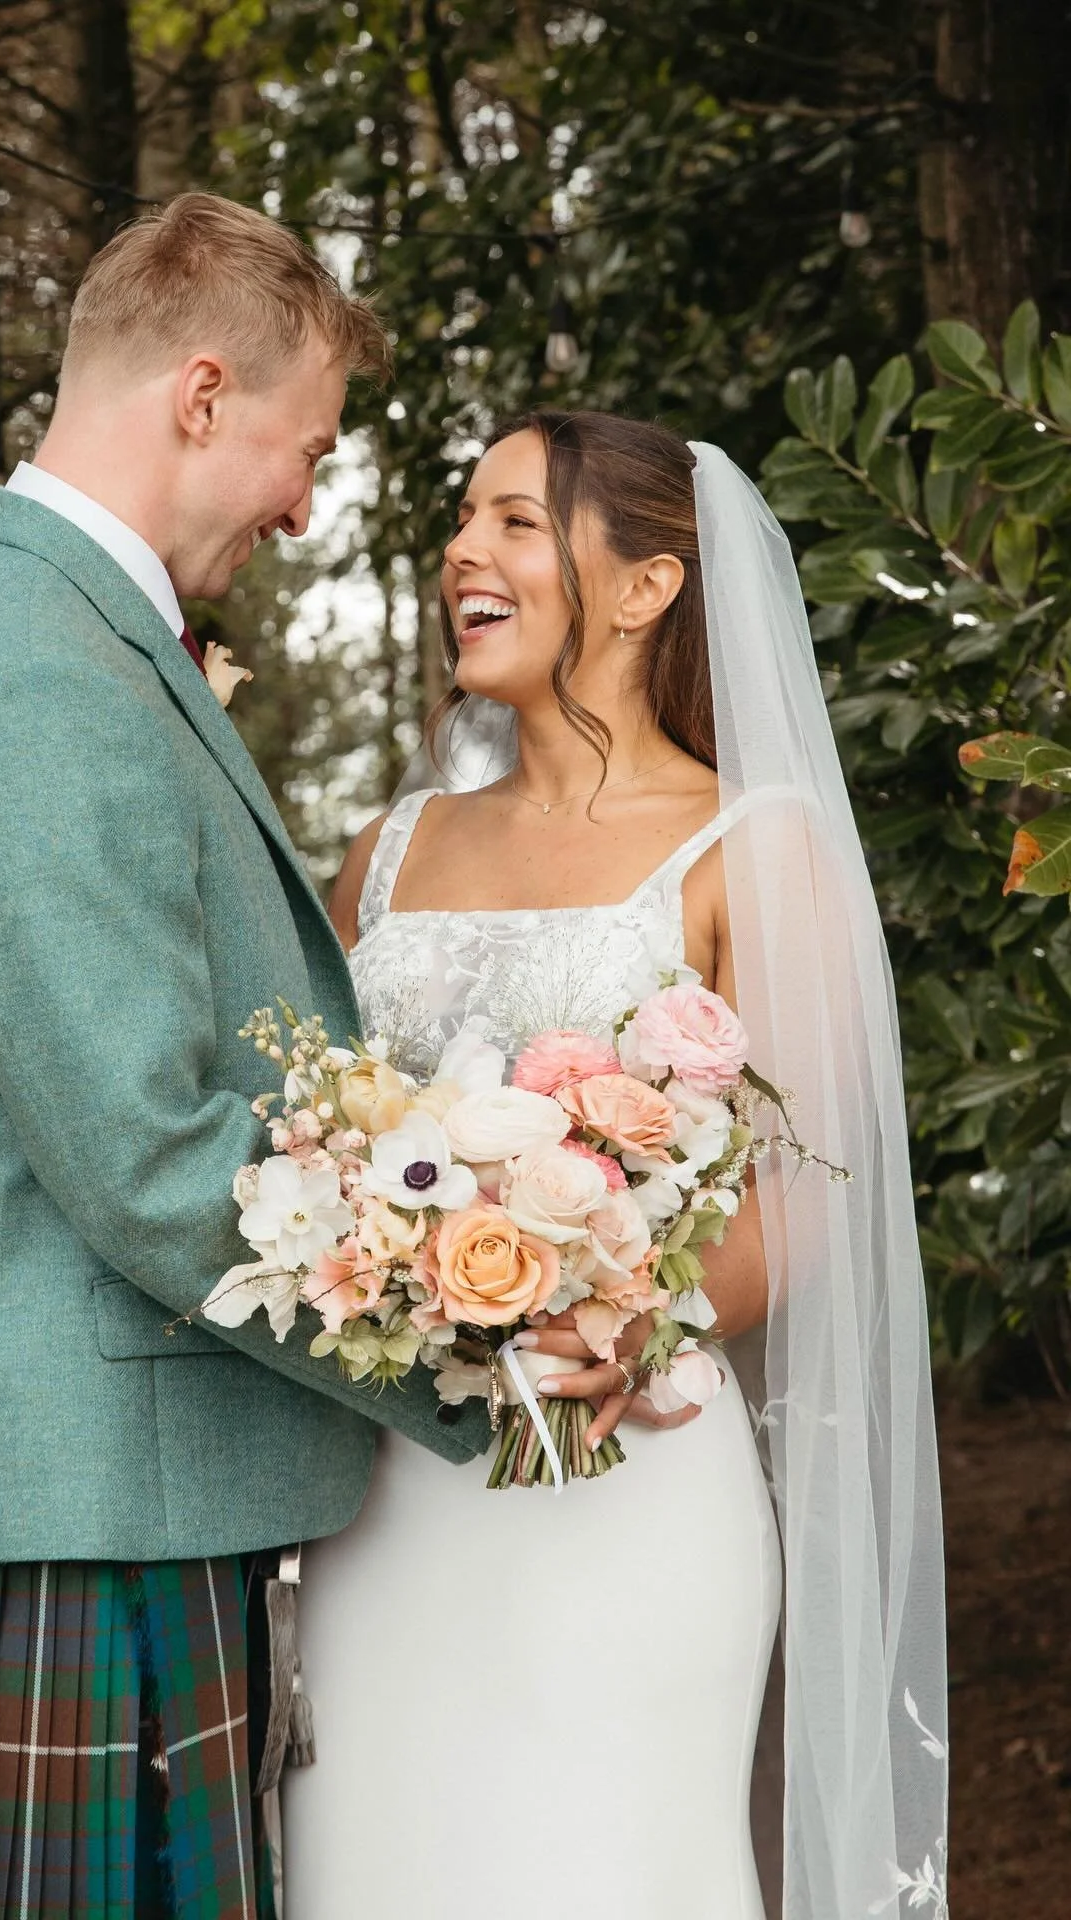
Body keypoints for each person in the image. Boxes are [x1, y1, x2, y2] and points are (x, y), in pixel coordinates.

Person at [0, 193, 489, 1919]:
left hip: (40, 1489)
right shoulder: (33, 678)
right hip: (54, 1514)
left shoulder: (34, 633)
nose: (306, 501)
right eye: (310, 448)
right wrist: (483, 1329)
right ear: (203, 395)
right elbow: (145, 1153)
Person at [283, 411, 949, 1919]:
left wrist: (622, 1309)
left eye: (515, 520)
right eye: (461, 517)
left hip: (628, 1485)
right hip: (384, 1500)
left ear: (645, 588)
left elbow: (816, 1194)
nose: (465, 549)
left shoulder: (753, 842)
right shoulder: (386, 850)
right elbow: (313, 1131)